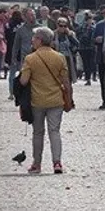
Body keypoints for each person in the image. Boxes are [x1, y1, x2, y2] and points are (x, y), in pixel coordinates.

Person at [18, 26, 73, 174]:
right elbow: (66, 81)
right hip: (56, 100)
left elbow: (23, 81)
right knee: (54, 131)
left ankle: (37, 164)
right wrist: (69, 98)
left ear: (40, 40)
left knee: (38, 133)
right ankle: (57, 163)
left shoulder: (30, 58)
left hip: (37, 101)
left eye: (34, 38)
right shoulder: (60, 57)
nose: (32, 40)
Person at [9, 8, 37, 99]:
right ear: (25, 17)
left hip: (38, 58)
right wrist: (13, 58)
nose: (33, 16)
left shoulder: (40, 29)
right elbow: (16, 46)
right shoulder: (20, 30)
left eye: (34, 14)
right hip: (25, 59)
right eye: (31, 15)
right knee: (25, 79)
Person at [53, 17, 78, 83]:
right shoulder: (53, 34)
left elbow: (77, 44)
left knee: (68, 78)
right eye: (61, 26)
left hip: (68, 59)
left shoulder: (71, 34)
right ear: (57, 25)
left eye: (65, 26)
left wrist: (70, 36)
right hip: (56, 58)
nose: (63, 28)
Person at [76, 11, 97, 86]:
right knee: (88, 63)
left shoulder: (91, 27)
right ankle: (89, 78)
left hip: (87, 48)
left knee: (89, 63)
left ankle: (90, 77)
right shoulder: (88, 27)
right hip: (87, 47)